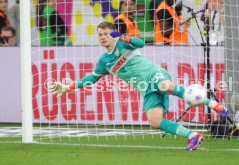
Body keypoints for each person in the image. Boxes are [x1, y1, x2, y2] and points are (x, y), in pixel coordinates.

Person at [50, 22, 229, 151]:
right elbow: (91, 79)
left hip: (154, 74)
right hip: (146, 89)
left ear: (113, 34)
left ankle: (216, 105)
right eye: (99, 34)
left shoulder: (123, 43)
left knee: (165, 85)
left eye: (105, 33)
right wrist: (68, 87)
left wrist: (123, 36)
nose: (103, 37)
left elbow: (141, 43)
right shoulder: (104, 62)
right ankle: (193, 135)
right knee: (154, 121)